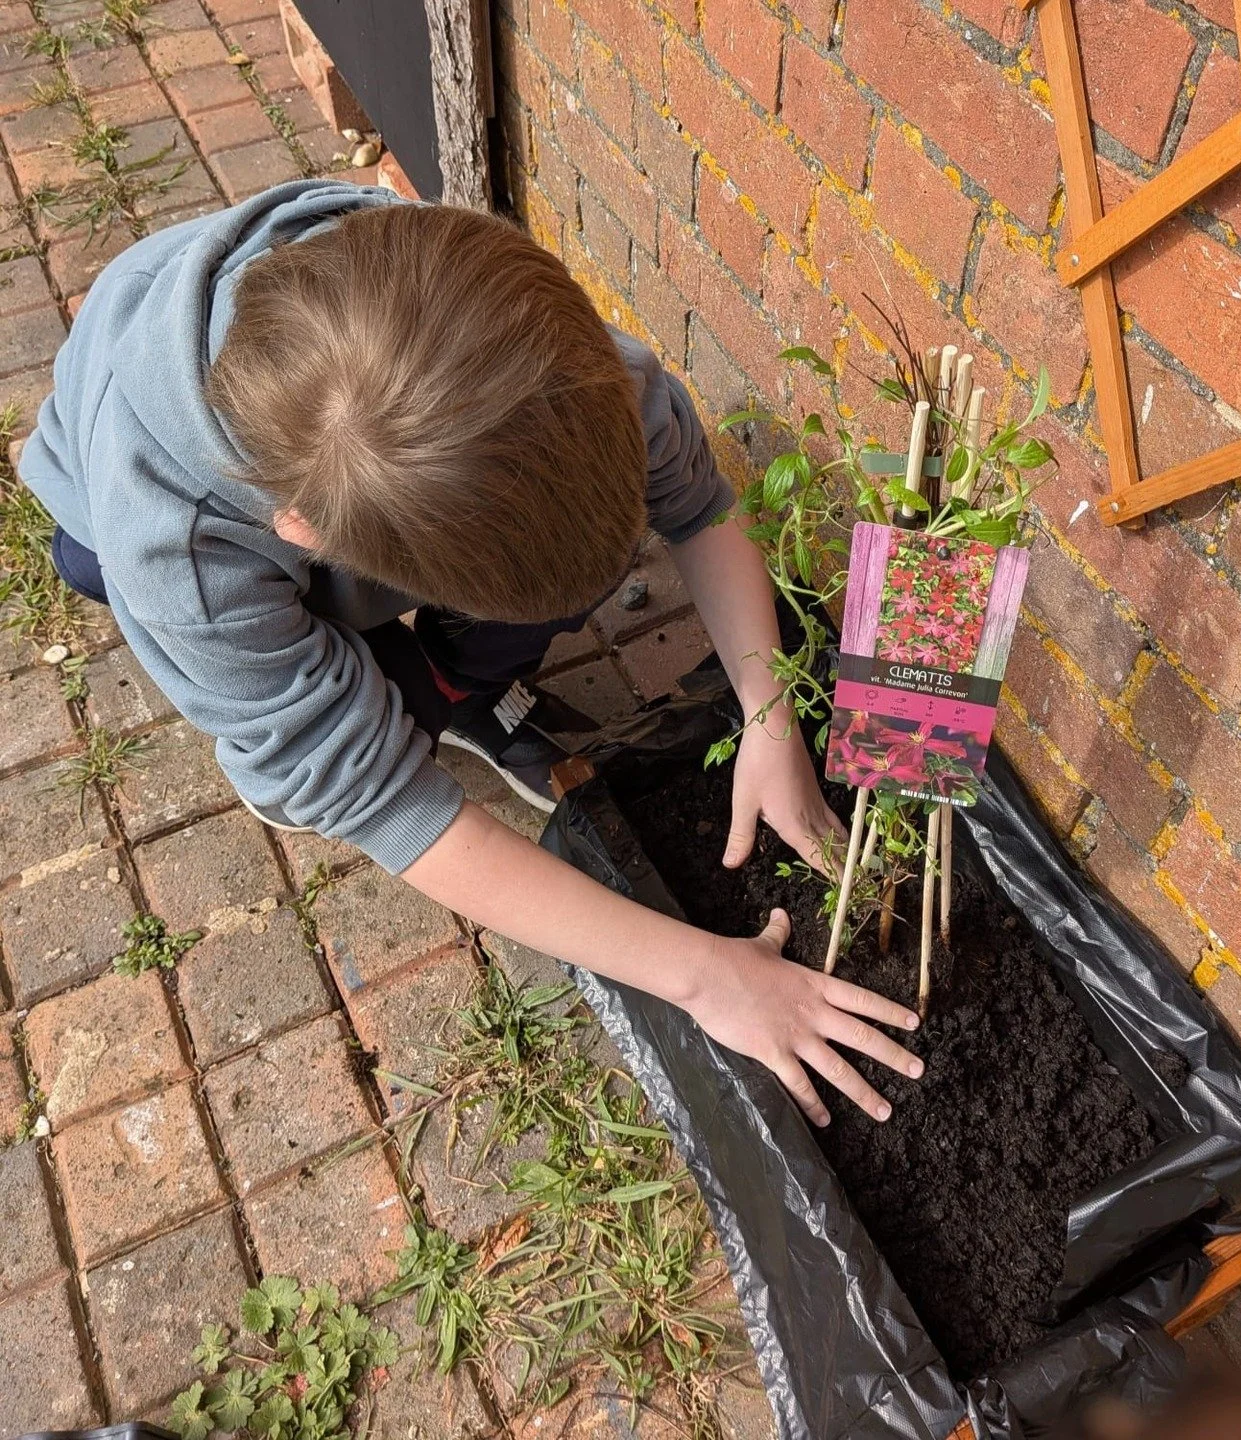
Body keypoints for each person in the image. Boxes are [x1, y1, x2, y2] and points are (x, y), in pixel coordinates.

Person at [20, 180, 923, 1127]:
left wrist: (769, 715)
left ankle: (462, 686)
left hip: (334, 448)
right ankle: (373, 680)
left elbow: (697, 508)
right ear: (308, 533)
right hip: (106, 481)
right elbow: (386, 805)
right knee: (334, 712)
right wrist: (704, 977)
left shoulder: (542, 359)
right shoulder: (180, 554)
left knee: (444, 668)